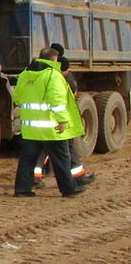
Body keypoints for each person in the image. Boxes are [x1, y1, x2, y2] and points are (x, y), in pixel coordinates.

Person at [13, 46, 85, 197]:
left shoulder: (25, 75)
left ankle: (22, 189)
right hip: (51, 128)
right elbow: (57, 101)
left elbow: (17, 98)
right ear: (55, 59)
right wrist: (62, 121)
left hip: (30, 128)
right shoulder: (53, 75)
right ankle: (69, 189)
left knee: (27, 160)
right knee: (62, 160)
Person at [33, 43, 96, 187]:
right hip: (58, 120)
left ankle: (35, 178)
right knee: (67, 150)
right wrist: (62, 120)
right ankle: (73, 181)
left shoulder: (33, 73)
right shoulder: (57, 77)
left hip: (40, 121)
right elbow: (62, 99)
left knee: (40, 149)